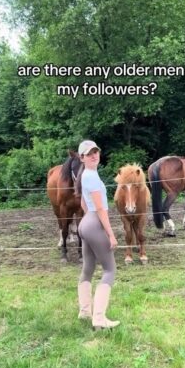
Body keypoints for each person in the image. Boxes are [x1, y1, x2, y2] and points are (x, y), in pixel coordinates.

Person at [75, 139, 120, 330]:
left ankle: (85, 312)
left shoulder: (86, 175)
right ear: (82, 158)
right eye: (89, 153)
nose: (94, 155)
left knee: (88, 268)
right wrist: (111, 234)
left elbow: (84, 203)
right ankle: (99, 319)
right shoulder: (91, 176)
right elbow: (100, 208)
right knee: (110, 270)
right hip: (94, 223)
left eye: (96, 152)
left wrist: (88, 220)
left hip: (86, 224)